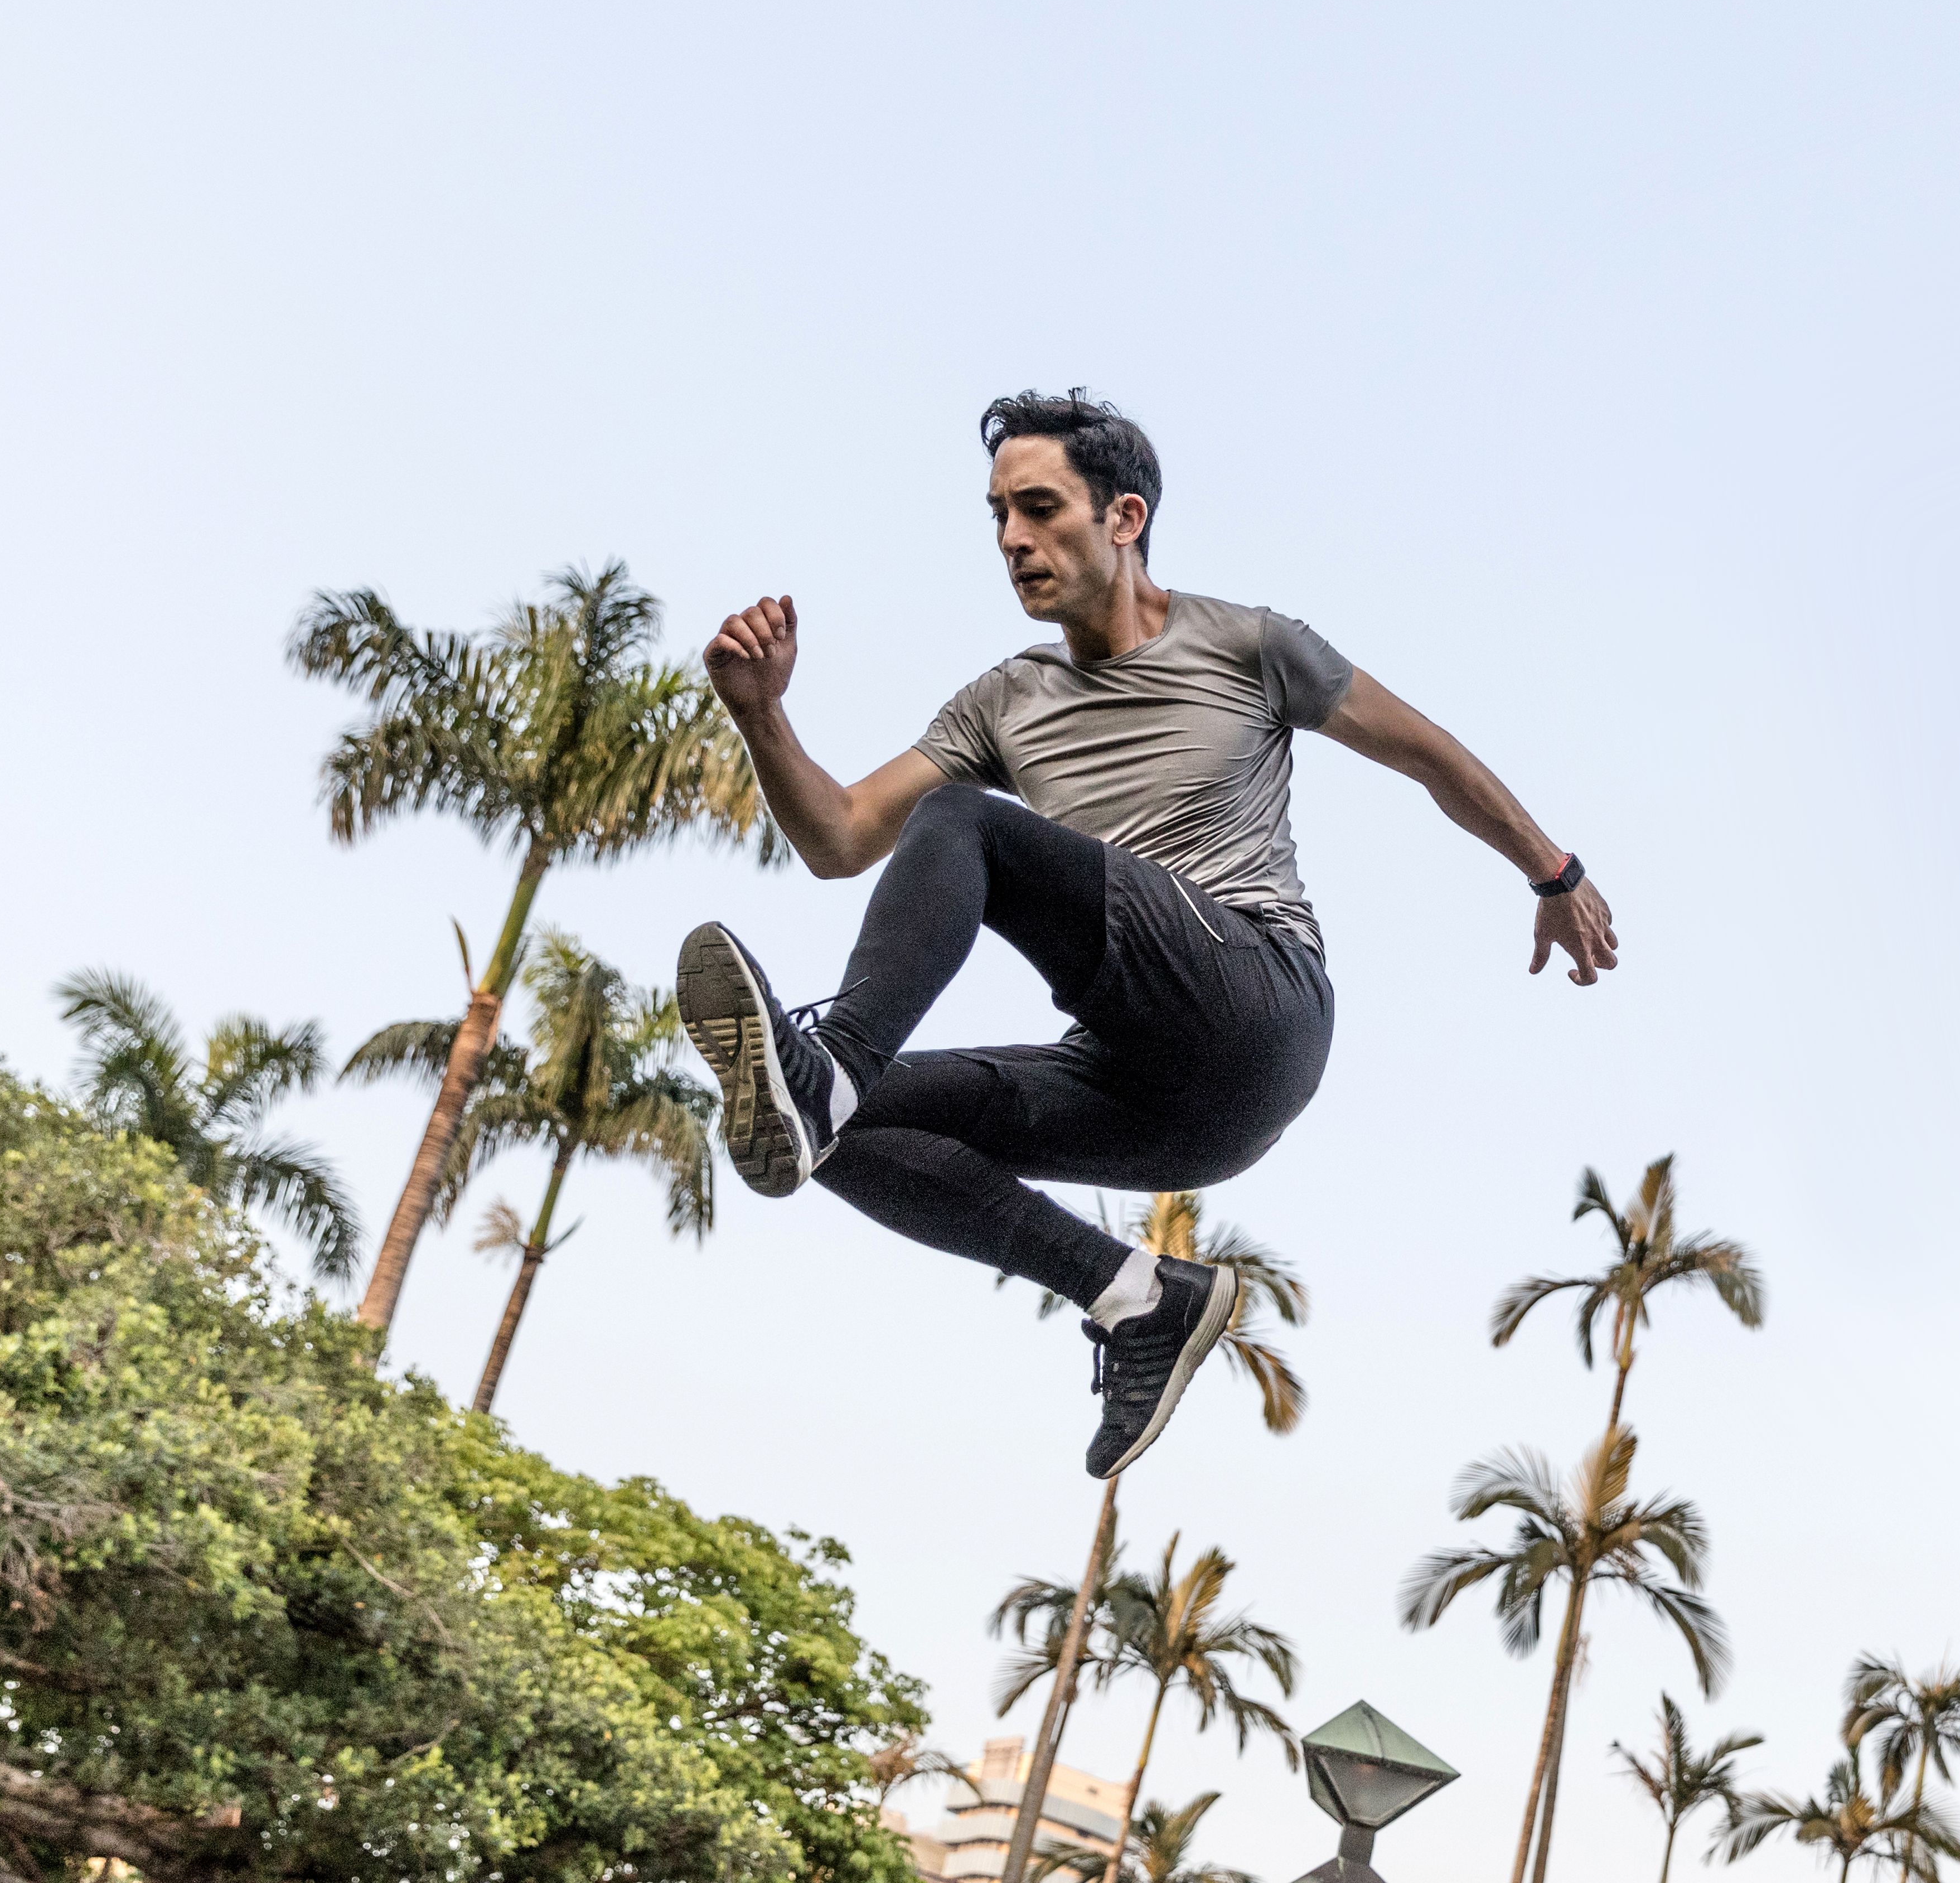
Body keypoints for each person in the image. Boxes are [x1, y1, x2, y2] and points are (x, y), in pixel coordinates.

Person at [679, 390, 1618, 1478]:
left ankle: (830, 1065)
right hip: (1153, 1099)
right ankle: (1137, 1299)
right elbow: (841, 837)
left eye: (1040, 509)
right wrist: (762, 715)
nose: (1013, 540)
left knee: (958, 832)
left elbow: (1430, 755)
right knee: (814, 1133)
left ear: (1123, 519)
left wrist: (1554, 871)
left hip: (1255, 1001)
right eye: (997, 517)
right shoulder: (1004, 701)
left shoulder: (1252, 646)